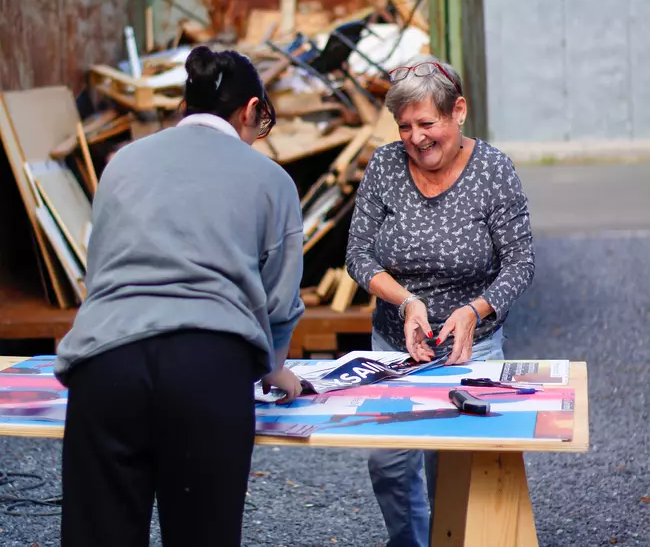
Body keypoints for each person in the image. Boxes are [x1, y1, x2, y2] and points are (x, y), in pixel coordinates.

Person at [55, 46, 305, 547]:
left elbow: (97, 270)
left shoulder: (122, 162)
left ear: (183, 107)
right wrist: (274, 365)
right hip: (208, 369)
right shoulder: (272, 180)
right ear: (252, 111)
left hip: (105, 365)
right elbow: (279, 300)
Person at [345, 56, 535, 547]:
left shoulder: (493, 170)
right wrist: (407, 302)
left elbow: (521, 264)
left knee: (451, 465)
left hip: (472, 344)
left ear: (459, 112)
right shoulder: (385, 166)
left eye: (427, 123)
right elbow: (358, 255)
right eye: (404, 126)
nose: (415, 137)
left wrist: (474, 312)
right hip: (395, 340)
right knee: (388, 459)